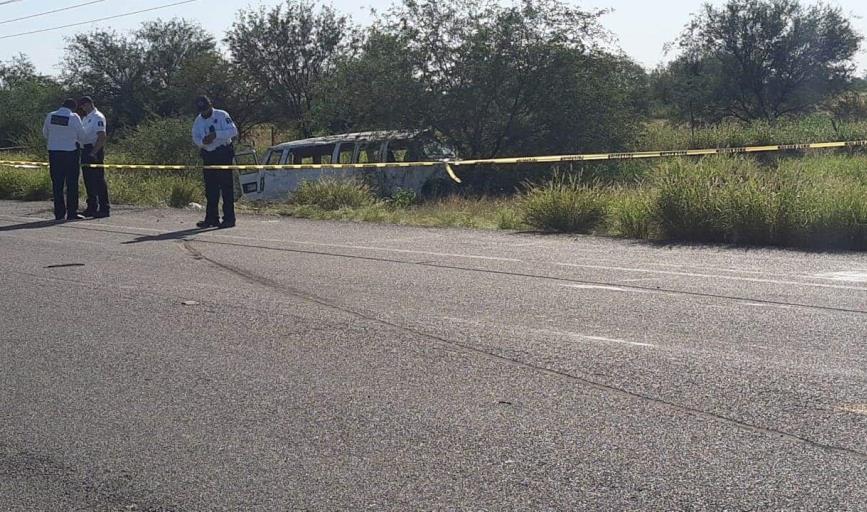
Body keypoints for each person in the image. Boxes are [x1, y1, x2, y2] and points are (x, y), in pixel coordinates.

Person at [191, 95, 238, 229]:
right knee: (210, 189)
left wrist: (216, 134)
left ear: (210, 106)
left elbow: (233, 131)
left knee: (226, 187)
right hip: (208, 155)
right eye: (202, 111)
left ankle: (229, 218)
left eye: (206, 110)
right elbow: (195, 137)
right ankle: (211, 218)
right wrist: (202, 142)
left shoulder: (222, 115)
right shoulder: (198, 121)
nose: (204, 113)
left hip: (223, 153)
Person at [43, 99, 87, 221]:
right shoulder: (74, 117)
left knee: (57, 184)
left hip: (54, 153)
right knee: (72, 184)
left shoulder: (50, 115)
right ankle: (72, 212)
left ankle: (59, 213)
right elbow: (82, 135)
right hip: (70, 153)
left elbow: (45, 133)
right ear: (73, 108)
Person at [78, 96, 110, 218]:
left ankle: (104, 208)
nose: (83, 108)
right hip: (85, 149)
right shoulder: (86, 118)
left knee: (98, 181)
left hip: (94, 150)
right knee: (88, 181)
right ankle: (92, 207)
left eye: (84, 105)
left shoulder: (97, 117)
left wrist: (93, 153)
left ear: (90, 104)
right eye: (81, 106)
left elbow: (101, 136)